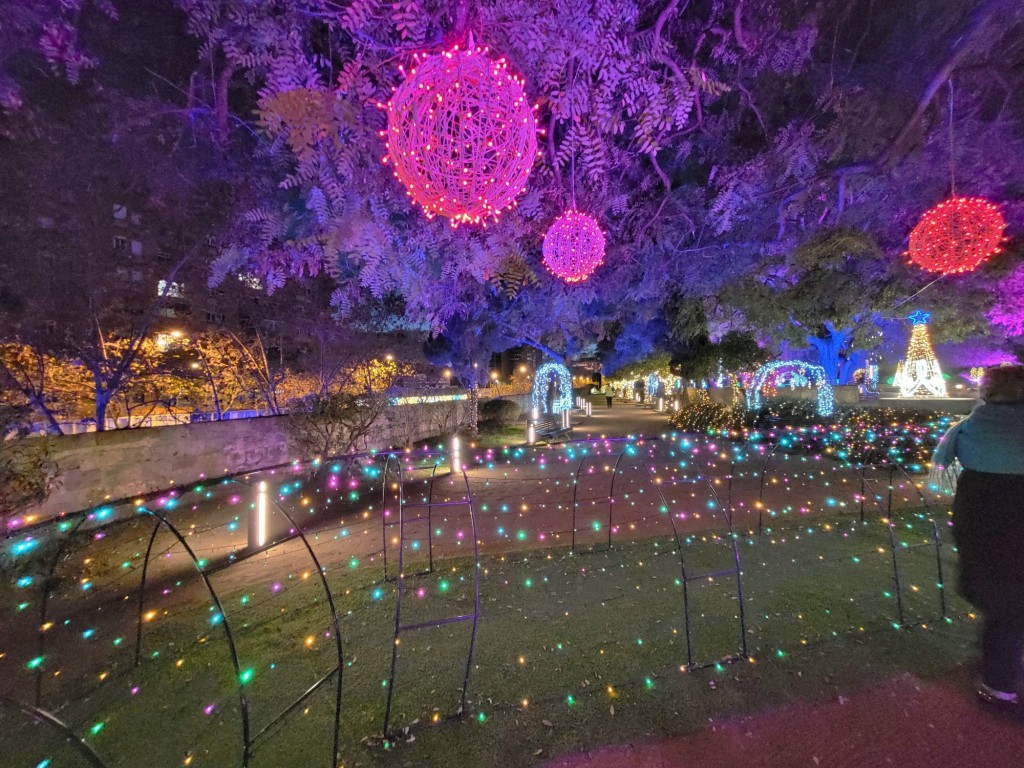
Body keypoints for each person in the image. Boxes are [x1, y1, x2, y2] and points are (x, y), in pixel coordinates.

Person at [932, 364, 1024, 706]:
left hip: (981, 509)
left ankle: (998, 681)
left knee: (1001, 598)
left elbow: (944, 463)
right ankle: (1003, 664)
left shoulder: (970, 427)